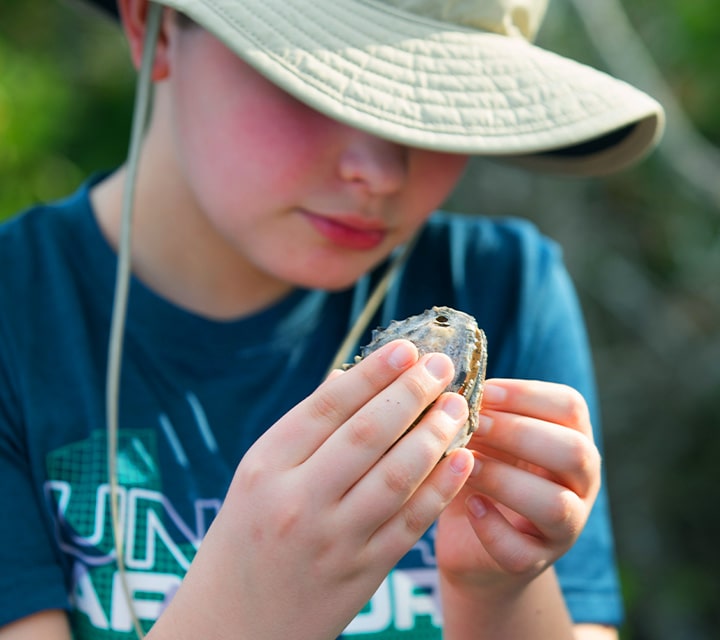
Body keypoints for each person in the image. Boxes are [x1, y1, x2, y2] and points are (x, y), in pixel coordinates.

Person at [0, 0, 664, 638]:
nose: (379, 172)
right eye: (317, 85)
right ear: (157, 27)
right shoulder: (19, 317)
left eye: (438, 106)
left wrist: (497, 590)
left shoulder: (503, 287)